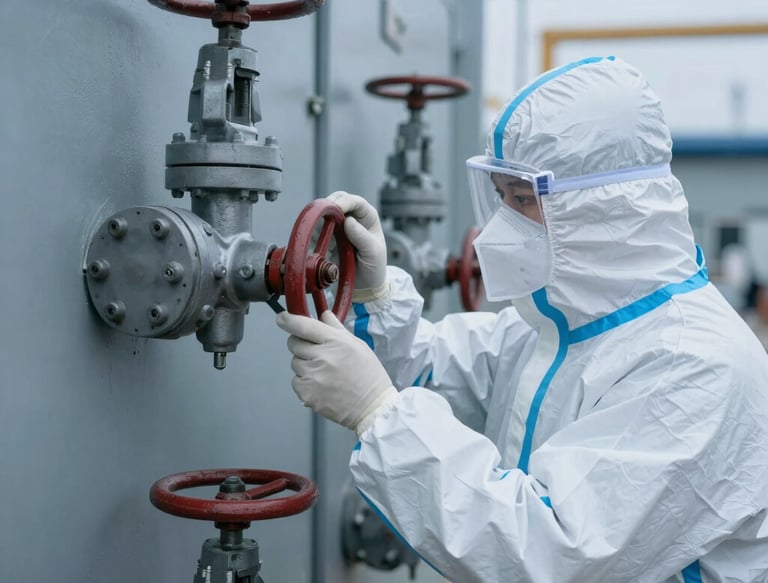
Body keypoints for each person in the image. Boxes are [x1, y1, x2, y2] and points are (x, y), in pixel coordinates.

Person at [276, 56, 768, 582]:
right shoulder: (564, 327)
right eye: (500, 198)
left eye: (521, 200)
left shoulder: (694, 366)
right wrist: (376, 293)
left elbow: (549, 552)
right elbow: (433, 372)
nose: (501, 225)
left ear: (602, 206)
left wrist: (377, 413)